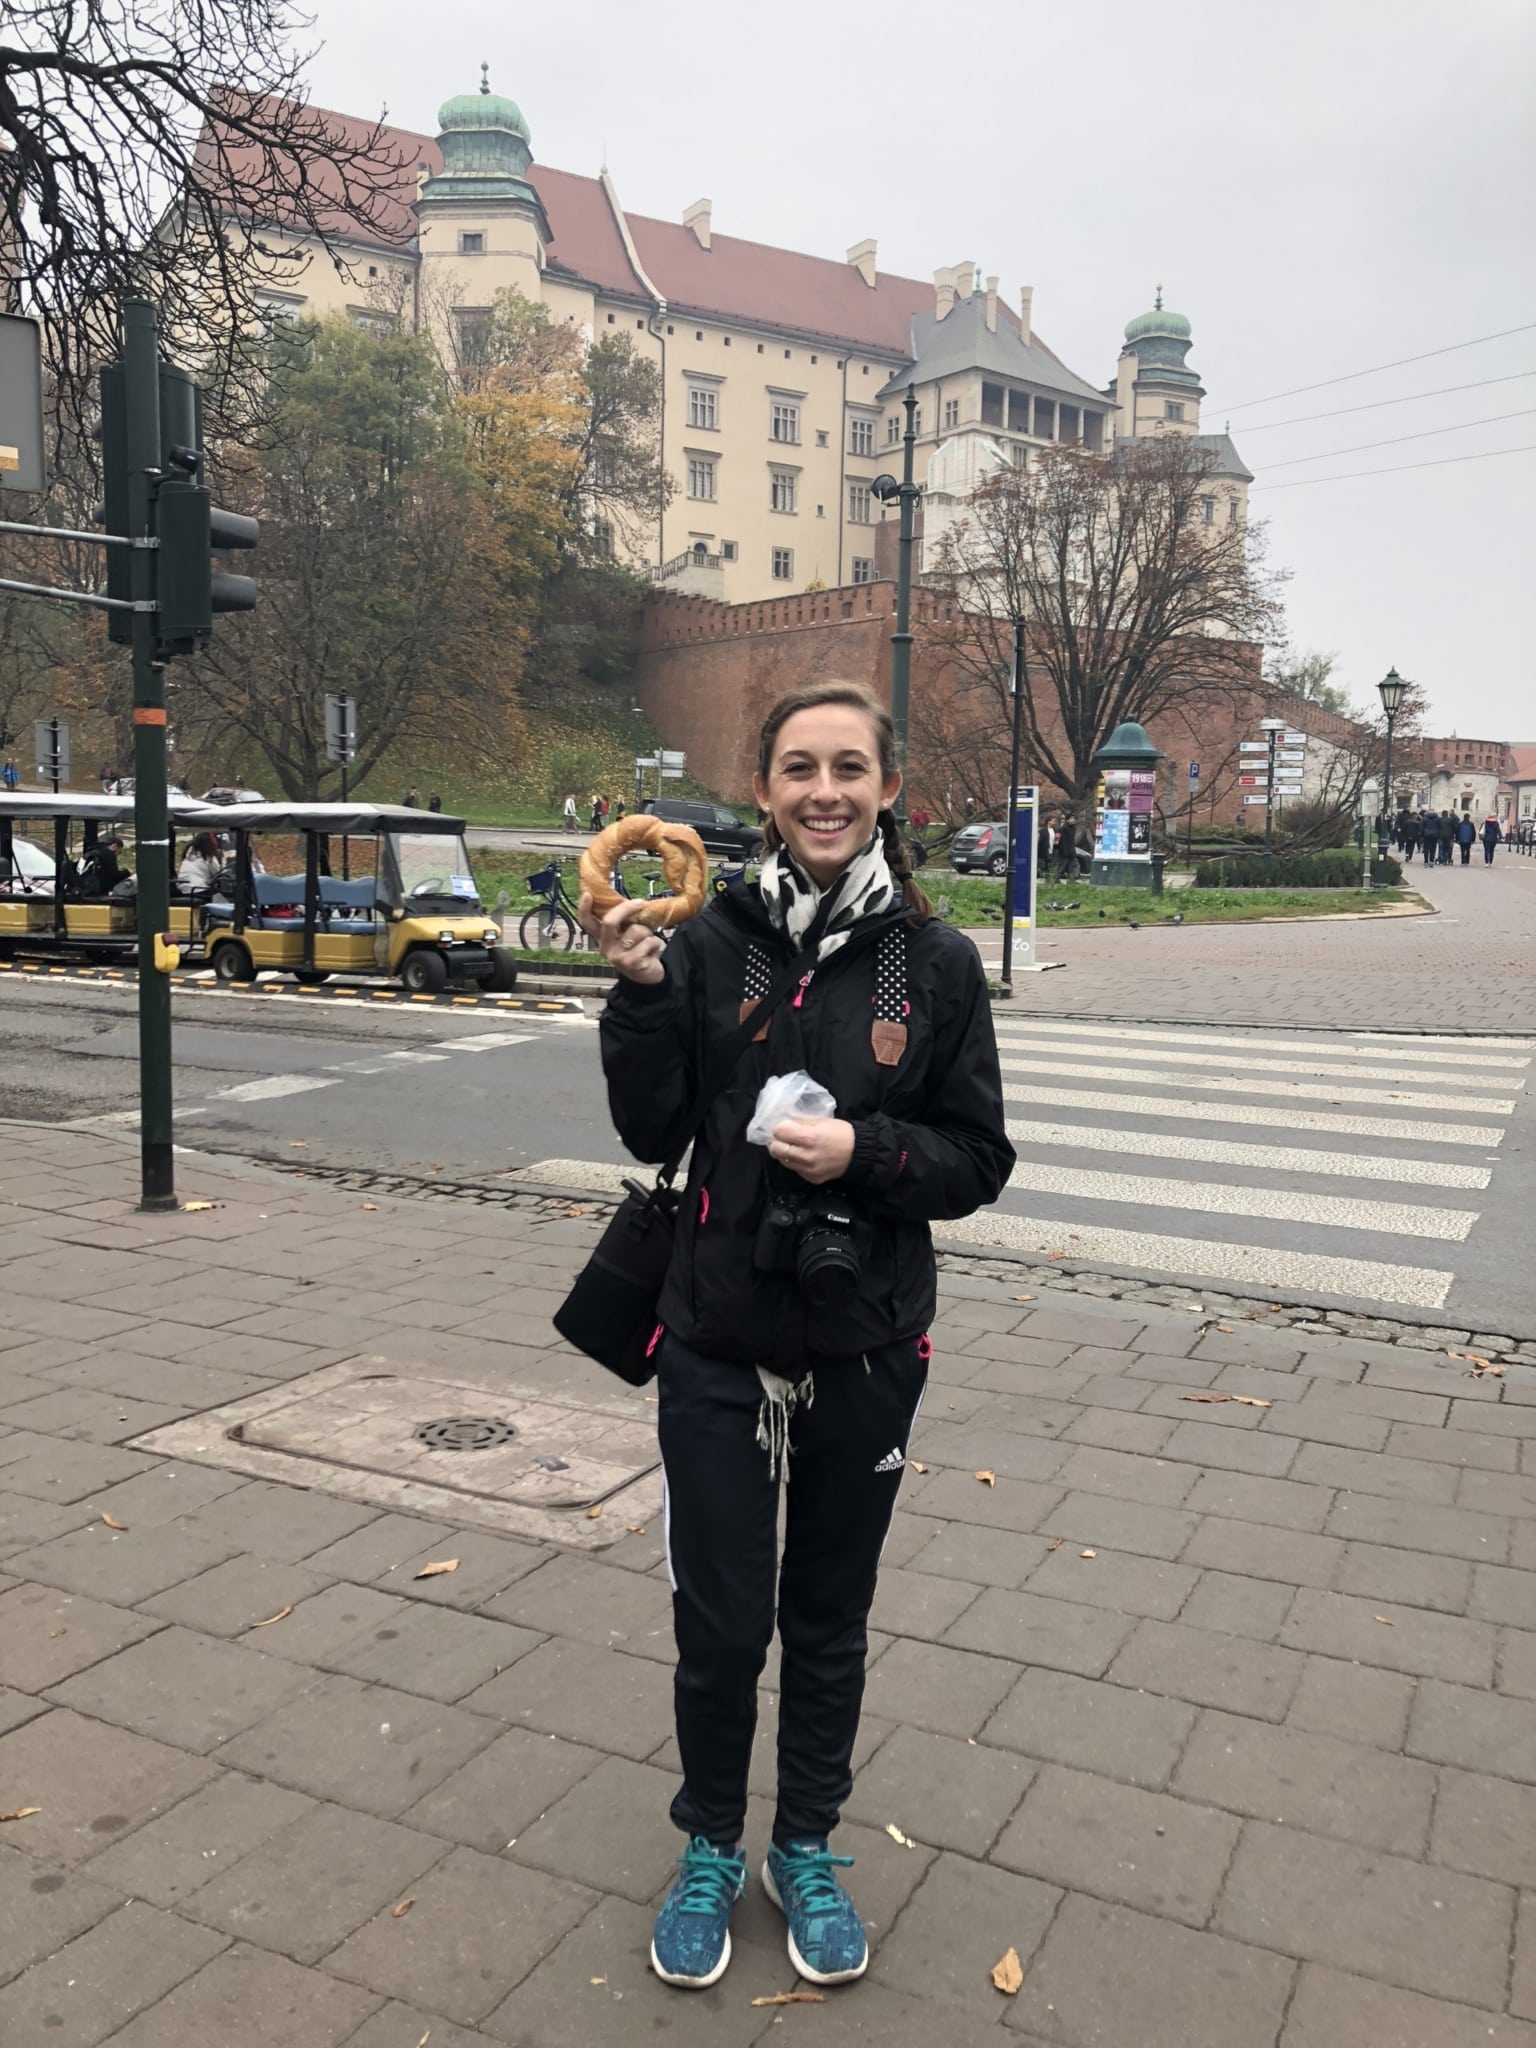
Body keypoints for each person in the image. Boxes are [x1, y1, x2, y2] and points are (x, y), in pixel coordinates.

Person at [581, 680, 1012, 1994]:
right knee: (720, 1622)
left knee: (827, 1615)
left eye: (849, 769)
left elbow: (978, 1156)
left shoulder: (932, 965)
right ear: (763, 790)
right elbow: (652, 1133)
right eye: (798, 769)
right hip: (715, 1335)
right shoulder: (707, 938)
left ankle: (805, 1846)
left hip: (868, 1343)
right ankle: (710, 1840)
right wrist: (643, 993)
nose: (825, 791)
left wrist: (862, 1150)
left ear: (887, 788)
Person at [1056, 813, 1078, 881]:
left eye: (1074, 818)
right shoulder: (1063, 829)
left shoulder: (1073, 829)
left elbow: (1072, 842)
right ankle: (1055, 879)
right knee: (1062, 867)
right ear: (1067, 820)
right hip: (1065, 852)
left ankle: (1072, 880)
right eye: (1071, 818)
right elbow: (1061, 841)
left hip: (1072, 851)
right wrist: (1064, 851)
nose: (1073, 820)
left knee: (1073, 866)